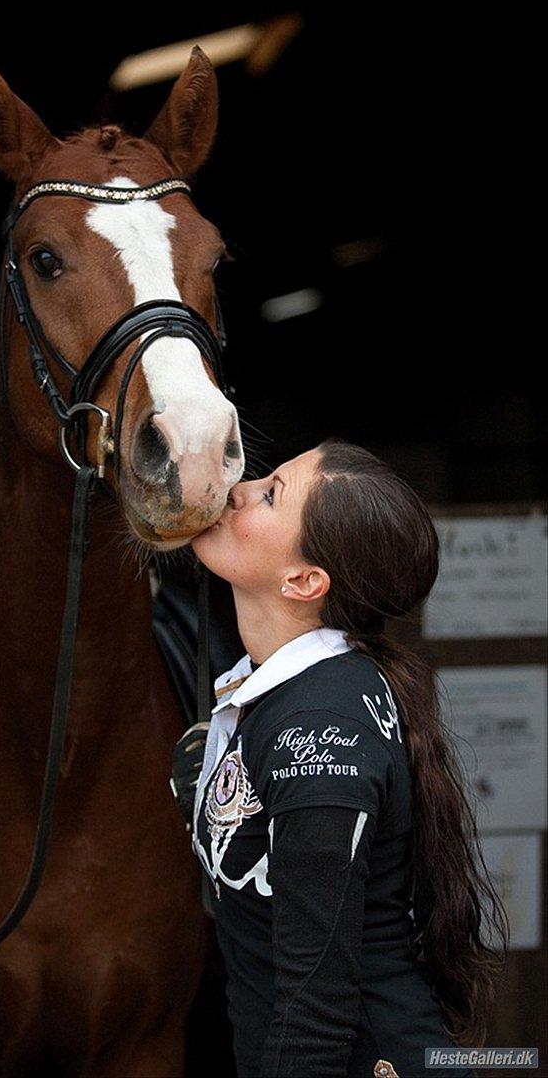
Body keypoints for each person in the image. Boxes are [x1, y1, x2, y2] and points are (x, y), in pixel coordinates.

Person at [170, 438, 507, 1078]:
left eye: (270, 495)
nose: (238, 488)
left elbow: (316, 1004)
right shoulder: (285, 692)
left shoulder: (318, 733)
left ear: (303, 581)